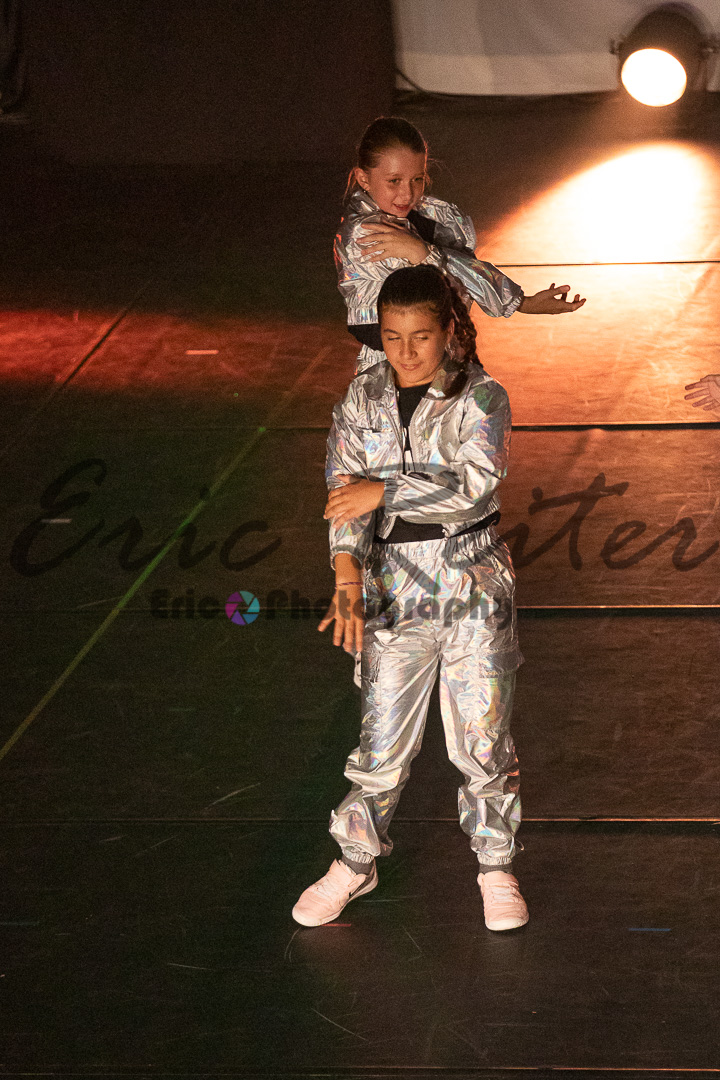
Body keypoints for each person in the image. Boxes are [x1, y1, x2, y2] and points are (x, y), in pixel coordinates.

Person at [292, 265, 527, 932]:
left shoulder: (482, 397)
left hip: (471, 580)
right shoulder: (362, 396)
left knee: (483, 735)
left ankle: (495, 866)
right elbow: (343, 488)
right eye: (392, 337)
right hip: (392, 585)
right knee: (381, 739)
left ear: (448, 331)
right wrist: (346, 577)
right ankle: (355, 860)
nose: (406, 351)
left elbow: (475, 484)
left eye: (420, 336)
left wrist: (386, 490)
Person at [335, 115, 586, 376]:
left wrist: (522, 302)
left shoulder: (422, 215)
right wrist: (426, 255)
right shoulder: (369, 233)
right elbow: (443, 291)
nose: (408, 193)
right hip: (401, 373)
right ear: (364, 179)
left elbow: (457, 277)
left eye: (417, 179)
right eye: (394, 181)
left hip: (438, 362)